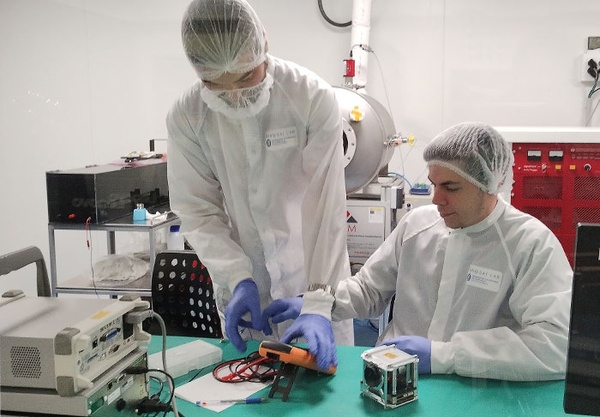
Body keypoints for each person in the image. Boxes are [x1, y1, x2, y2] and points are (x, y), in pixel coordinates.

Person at [265, 122, 573, 380]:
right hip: (389, 373)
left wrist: (446, 356)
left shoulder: (529, 244)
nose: (437, 199)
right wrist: (319, 306)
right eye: (433, 184)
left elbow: (555, 344)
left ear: (488, 185)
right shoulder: (418, 225)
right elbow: (369, 289)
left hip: (474, 386)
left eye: (451, 188)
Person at [166, 0, 353, 364]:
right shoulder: (187, 116)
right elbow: (198, 210)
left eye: (245, 77)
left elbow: (326, 208)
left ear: (263, 43)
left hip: (311, 279)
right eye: (216, 86)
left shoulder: (310, 97)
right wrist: (236, 276)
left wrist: (317, 300)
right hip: (247, 290)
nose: (235, 96)